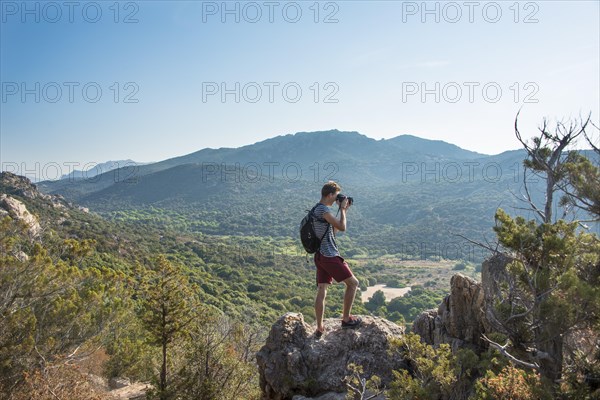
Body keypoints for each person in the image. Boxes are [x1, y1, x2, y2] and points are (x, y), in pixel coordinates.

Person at [312, 181, 361, 338]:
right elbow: (342, 227)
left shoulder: (315, 210)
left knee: (322, 289)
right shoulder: (323, 210)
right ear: (330, 195)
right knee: (353, 284)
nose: (336, 199)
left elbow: (332, 232)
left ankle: (319, 327)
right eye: (335, 196)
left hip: (320, 255)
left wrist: (342, 209)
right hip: (329, 255)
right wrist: (343, 211)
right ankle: (346, 320)